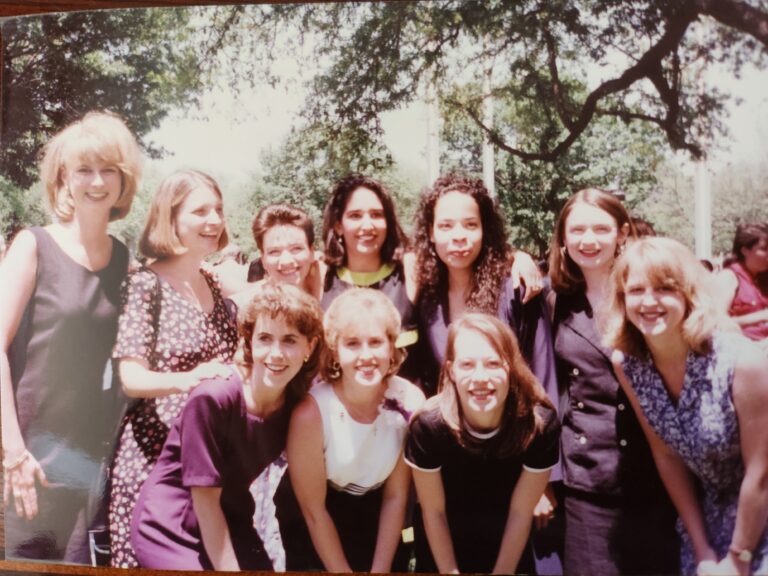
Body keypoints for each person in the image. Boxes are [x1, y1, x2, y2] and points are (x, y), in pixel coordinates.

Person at [0, 111, 141, 563]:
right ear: (64, 177)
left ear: (124, 180)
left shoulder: (123, 261)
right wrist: (13, 453)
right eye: (84, 169)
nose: (97, 181)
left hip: (86, 463)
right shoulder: (33, 245)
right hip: (28, 460)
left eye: (108, 170)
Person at [131, 284, 324, 570]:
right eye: (265, 338)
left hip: (231, 513)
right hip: (173, 522)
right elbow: (204, 502)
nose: (276, 353)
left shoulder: (297, 405)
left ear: (310, 346)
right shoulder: (214, 398)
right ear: (249, 341)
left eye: (290, 340)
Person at [606, 236, 768, 576]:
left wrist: (739, 557)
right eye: (636, 290)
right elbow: (666, 455)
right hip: (709, 519)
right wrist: (701, 549)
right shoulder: (628, 364)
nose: (648, 301)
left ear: (689, 294)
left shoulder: (743, 361)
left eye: (664, 288)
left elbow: (762, 472)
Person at [108, 169, 238, 568]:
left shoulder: (212, 284)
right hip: (153, 463)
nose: (214, 220)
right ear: (171, 218)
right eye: (200, 211)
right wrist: (189, 379)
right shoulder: (144, 285)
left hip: (208, 467)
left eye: (218, 209)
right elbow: (131, 378)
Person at [548, 188, 679, 575]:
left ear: (622, 233)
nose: (588, 240)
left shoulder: (645, 295)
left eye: (601, 229)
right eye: (577, 230)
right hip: (588, 480)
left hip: (658, 472)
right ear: (563, 238)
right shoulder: (553, 300)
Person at [283, 288, 425, 571]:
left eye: (376, 342)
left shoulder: (409, 402)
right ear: (335, 350)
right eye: (352, 344)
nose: (366, 355)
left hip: (378, 519)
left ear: (391, 347)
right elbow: (314, 510)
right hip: (317, 523)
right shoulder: (311, 413)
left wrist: (380, 570)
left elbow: (396, 496)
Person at [405, 313, 560, 574]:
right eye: (467, 365)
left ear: (509, 367)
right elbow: (434, 512)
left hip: (507, 548)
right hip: (443, 550)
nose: (480, 377)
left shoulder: (539, 426)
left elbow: (521, 513)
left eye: (492, 364)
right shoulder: (428, 427)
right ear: (451, 371)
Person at [230, 204, 322, 308]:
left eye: (296, 248)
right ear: (263, 259)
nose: (286, 261)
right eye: (274, 252)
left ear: (311, 252)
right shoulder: (242, 308)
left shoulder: (331, 301)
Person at [715, 223, 768, 345]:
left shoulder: (762, 279)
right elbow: (716, 322)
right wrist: (760, 316)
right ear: (745, 250)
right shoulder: (729, 277)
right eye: (764, 249)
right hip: (744, 347)